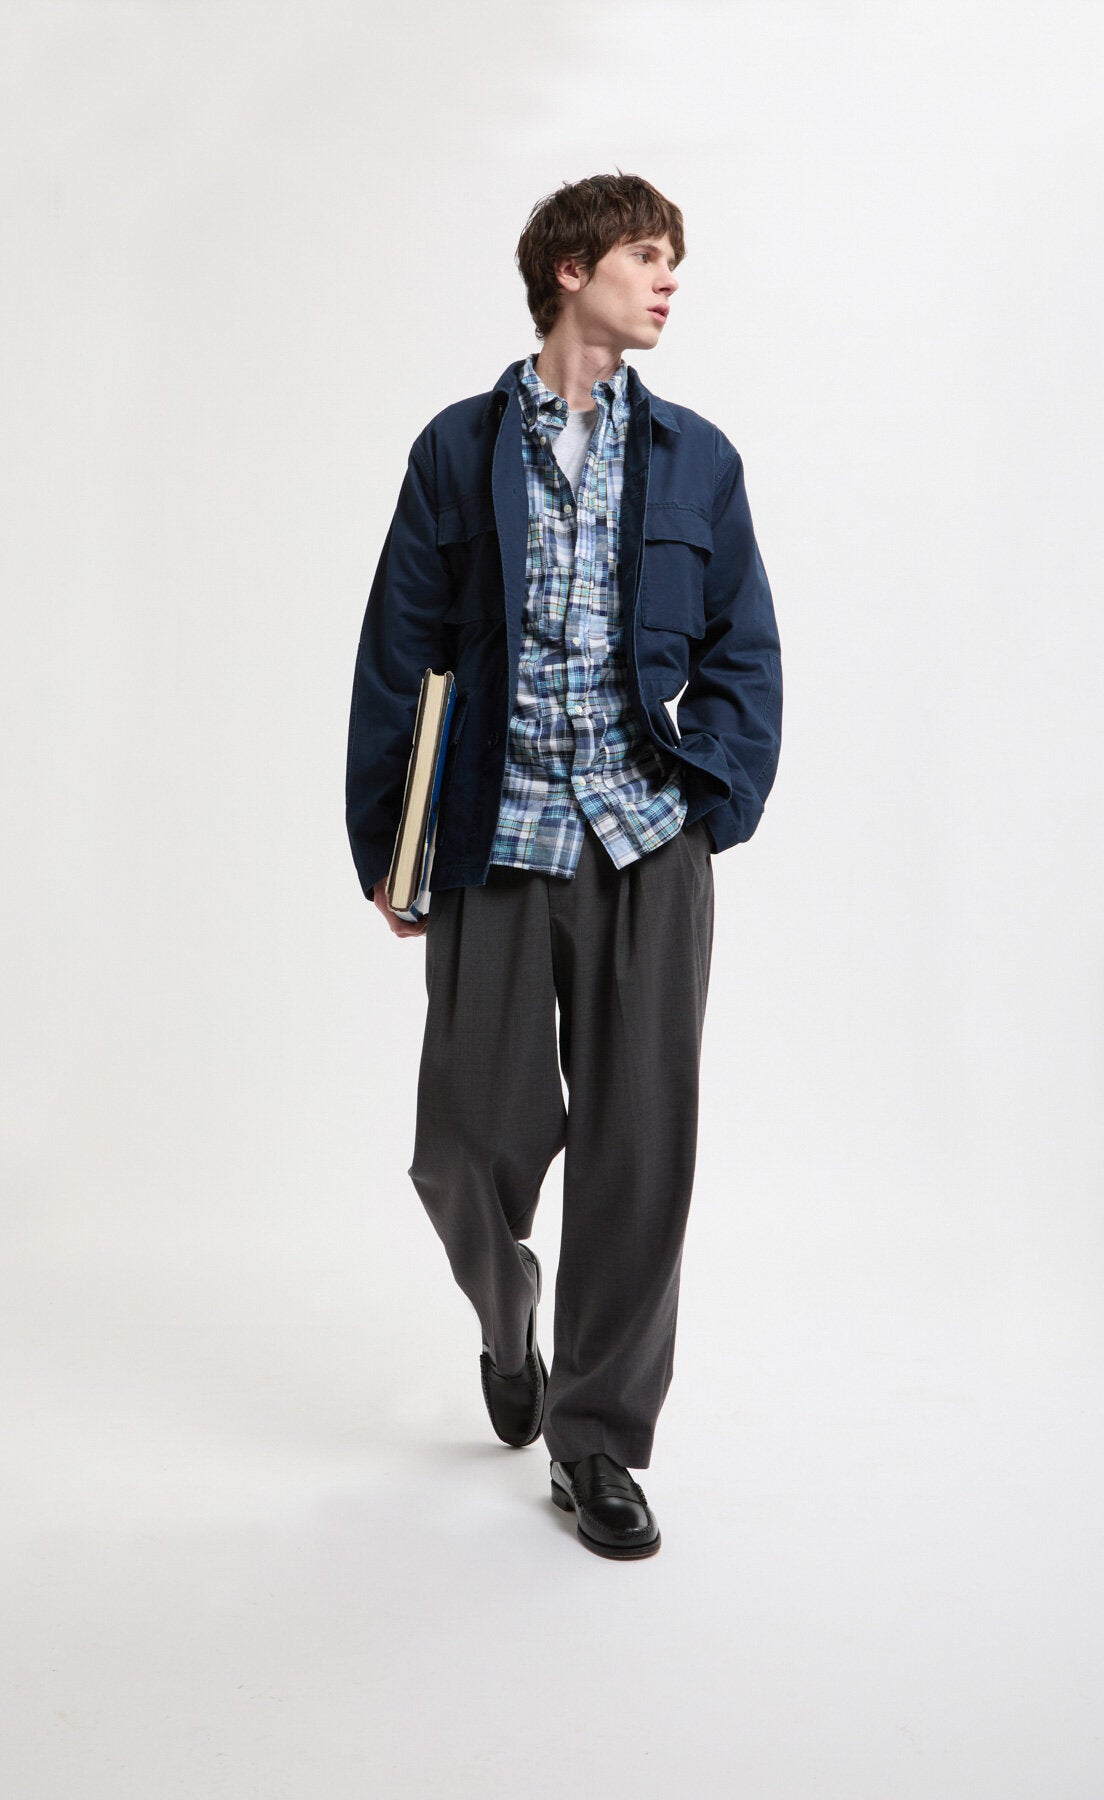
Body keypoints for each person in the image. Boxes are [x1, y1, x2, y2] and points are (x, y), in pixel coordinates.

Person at [345, 172, 782, 1559]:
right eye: (649, 255)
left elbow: (745, 650)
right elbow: (399, 652)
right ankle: (508, 1314)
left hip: (648, 844)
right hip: (499, 832)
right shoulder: (457, 448)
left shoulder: (700, 460)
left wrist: (710, 799)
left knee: (640, 1154)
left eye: (673, 259)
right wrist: (393, 842)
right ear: (572, 269)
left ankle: (595, 1442)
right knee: (464, 1144)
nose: (669, 281)